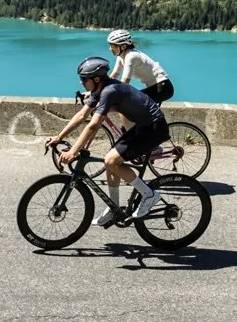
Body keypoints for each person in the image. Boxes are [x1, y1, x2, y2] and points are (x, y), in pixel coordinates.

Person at [44, 56, 168, 227]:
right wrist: (59, 137)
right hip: (142, 126)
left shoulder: (110, 91)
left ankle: (149, 194)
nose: (81, 83)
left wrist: (73, 152)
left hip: (153, 128)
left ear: (96, 79)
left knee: (111, 161)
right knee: (109, 161)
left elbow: (93, 125)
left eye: (83, 79)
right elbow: (82, 115)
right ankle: (114, 209)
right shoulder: (99, 90)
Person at [107, 29, 174, 104]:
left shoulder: (131, 56)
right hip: (154, 87)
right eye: (110, 45)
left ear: (123, 47)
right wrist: (101, 87)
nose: (110, 49)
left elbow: (124, 84)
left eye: (113, 46)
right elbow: (114, 75)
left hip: (162, 88)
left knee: (129, 103)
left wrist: (110, 93)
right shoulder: (121, 56)